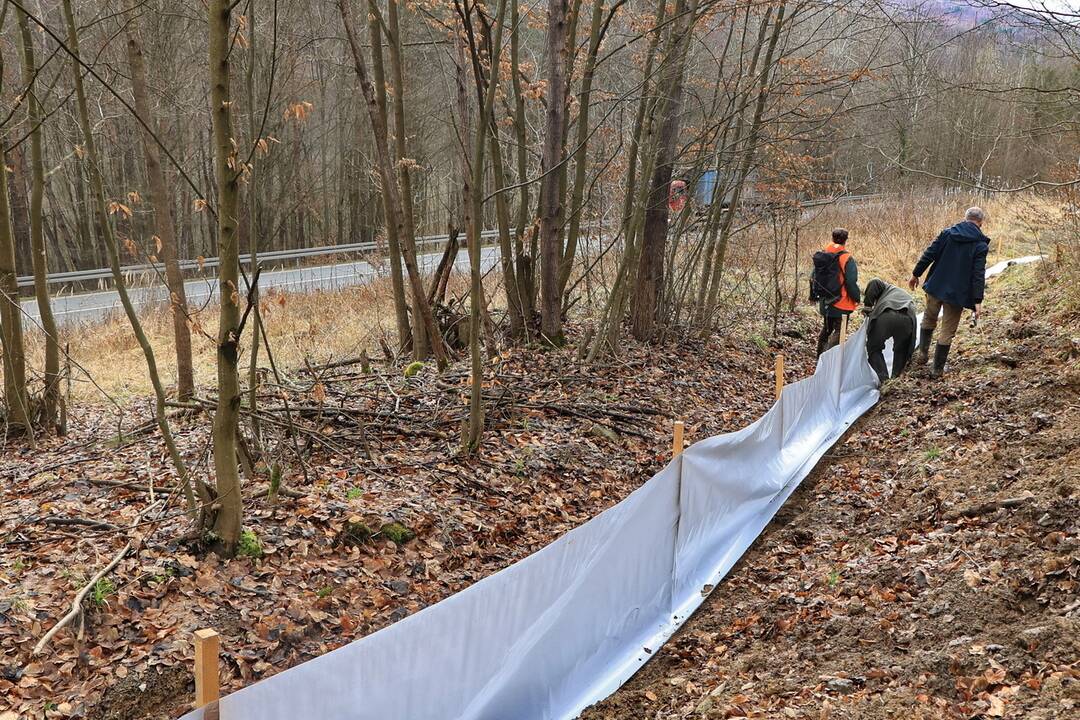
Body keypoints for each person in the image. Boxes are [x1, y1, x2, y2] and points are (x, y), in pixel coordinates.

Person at [908, 206, 990, 378]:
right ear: (981, 222)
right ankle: (937, 370)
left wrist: (916, 274)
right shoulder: (980, 244)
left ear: (965, 217)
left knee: (929, 319)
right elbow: (978, 274)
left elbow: (929, 254)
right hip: (957, 294)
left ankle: (922, 354)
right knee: (947, 331)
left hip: (935, 286)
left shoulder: (947, 234)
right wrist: (977, 301)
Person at [813, 228, 861, 357]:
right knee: (839, 331)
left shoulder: (823, 255)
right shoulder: (847, 258)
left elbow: (813, 276)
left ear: (832, 238)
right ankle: (827, 360)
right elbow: (851, 282)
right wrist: (857, 298)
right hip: (841, 302)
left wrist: (813, 296)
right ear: (846, 240)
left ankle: (819, 357)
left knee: (827, 329)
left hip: (825, 301)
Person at [862, 279, 917, 383]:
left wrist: (868, 306)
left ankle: (884, 380)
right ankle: (895, 380)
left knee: (874, 348)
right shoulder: (903, 294)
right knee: (901, 350)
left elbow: (874, 282)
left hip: (886, 314)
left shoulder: (884, 286)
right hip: (907, 318)